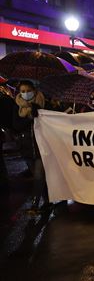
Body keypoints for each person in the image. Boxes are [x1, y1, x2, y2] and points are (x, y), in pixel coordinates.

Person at [14, 80, 48, 211]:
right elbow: (16, 125)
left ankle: (35, 204)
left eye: (28, 90)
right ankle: (48, 201)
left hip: (41, 147)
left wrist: (38, 113)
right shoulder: (16, 106)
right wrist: (29, 119)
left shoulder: (43, 104)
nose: (25, 93)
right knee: (38, 178)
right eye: (22, 91)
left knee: (39, 175)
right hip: (27, 148)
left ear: (34, 90)